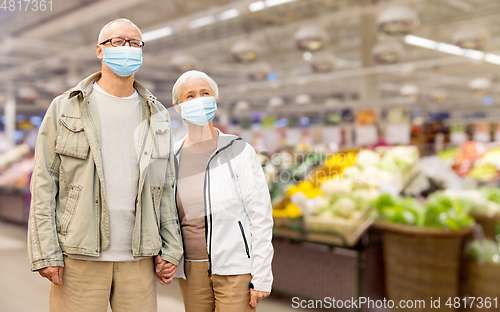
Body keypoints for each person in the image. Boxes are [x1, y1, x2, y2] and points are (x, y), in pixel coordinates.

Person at [27, 18, 183, 312]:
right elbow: (44, 182)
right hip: (79, 256)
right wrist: (45, 252)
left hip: (140, 258)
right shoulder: (65, 107)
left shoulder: (157, 115)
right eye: (118, 42)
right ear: (100, 50)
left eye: (135, 43)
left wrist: (171, 248)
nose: (128, 48)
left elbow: (165, 188)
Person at [155, 70, 274, 312]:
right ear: (178, 107)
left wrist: (261, 274)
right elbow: (165, 216)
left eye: (205, 93)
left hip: (234, 268)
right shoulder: (171, 158)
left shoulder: (238, 150)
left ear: (215, 100)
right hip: (191, 269)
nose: (199, 99)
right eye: (190, 96)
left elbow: (260, 216)